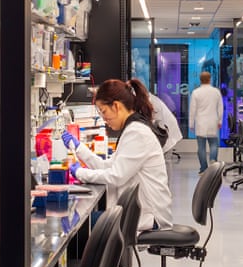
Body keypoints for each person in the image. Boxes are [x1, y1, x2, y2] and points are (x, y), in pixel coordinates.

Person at [64, 78, 173, 231]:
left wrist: (80, 173)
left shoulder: (136, 132)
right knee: (85, 221)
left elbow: (116, 176)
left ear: (116, 106)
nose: (103, 118)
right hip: (139, 211)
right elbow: (108, 166)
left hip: (150, 216)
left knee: (82, 224)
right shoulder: (132, 128)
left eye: (103, 111)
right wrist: (79, 148)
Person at [189, 71, 223, 174]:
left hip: (201, 123)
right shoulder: (216, 92)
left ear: (200, 80)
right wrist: (220, 120)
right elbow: (220, 107)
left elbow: (192, 109)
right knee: (213, 143)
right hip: (213, 121)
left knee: (201, 147)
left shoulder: (196, 92)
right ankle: (213, 160)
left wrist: (191, 123)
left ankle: (203, 168)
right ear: (210, 79)